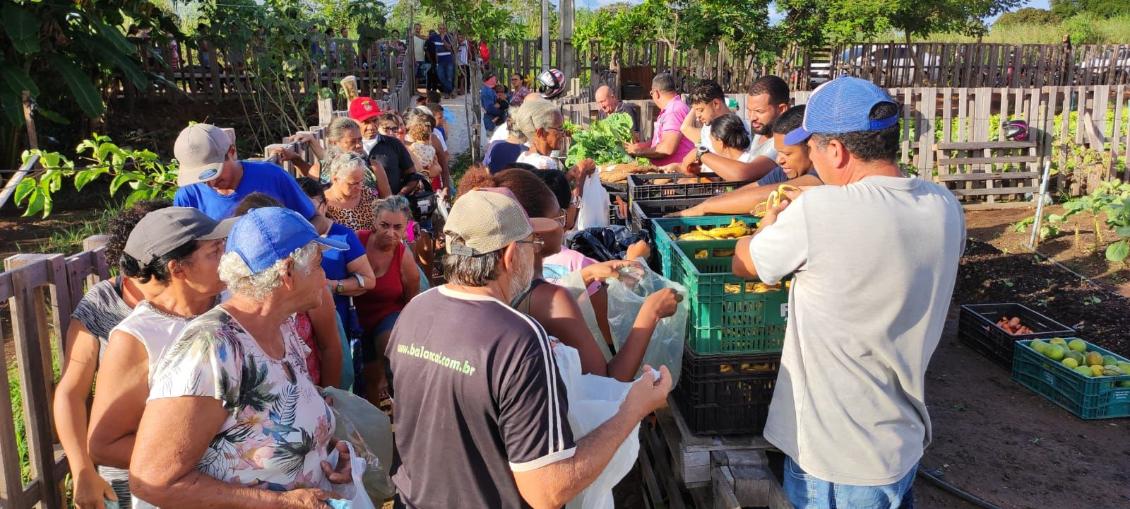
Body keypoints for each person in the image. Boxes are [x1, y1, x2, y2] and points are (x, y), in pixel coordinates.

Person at [731, 77, 965, 508]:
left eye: (814, 147)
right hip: (901, 440)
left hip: (836, 457)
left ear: (836, 151)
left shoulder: (820, 210)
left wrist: (767, 227)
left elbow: (745, 264)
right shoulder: (943, 205)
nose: (813, 158)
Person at [388, 187, 674, 508]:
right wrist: (631, 409)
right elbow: (547, 491)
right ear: (511, 254)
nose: (534, 252)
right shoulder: (519, 338)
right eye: (530, 244)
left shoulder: (413, 312)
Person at [128, 207, 357, 507]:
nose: (324, 277)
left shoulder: (282, 325)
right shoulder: (211, 348)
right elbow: (154, 480)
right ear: (287, 272)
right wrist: (280, 503)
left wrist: (323, 448)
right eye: (317, 265)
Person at [458, 167, 680, 381]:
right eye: (558, 218)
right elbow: (608, 383)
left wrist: (587, 275)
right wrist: (650, 313)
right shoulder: (551, 298)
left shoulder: (502, 284)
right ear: (535, 228)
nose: (564, 227)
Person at [87, 208, 231, 504]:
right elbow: (104, 444)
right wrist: (217, 456)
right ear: (178, 269)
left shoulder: (232, 303)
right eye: (214, 252)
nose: (227, 258)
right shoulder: (138, 338)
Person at [54, 200, 170, 509]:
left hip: (193, 461)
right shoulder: (102, 304)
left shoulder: (200, 297)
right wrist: (81, 469)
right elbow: (71, 392)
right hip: (124, 470)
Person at [172, 123, 329, 234]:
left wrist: (291, 243)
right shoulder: (187, 196)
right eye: (201, 178)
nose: (211, 183)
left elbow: (318, 220)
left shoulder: (272, 176)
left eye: (215, 173)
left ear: (231, 152)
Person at [674, 106, 823, 217]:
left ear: (811, 147)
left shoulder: (820, 176)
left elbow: (766, 194)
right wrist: (706, 205)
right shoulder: (785, 171)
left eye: (787, 153)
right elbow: (753, 189)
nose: (779, 160)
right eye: (778, 152)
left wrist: (703, 208)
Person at [353, 196, 422, 408]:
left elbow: (410, 301)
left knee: (391, 353)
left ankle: (406, 411)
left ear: (405, 229)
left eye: (397, 227)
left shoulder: (404, 256)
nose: (390, 233)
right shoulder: (357, 241)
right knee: (368, 380)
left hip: (387, 315)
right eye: (384, 225)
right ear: (374, 221)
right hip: (356, 317)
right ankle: (376, 429)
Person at [690, 75, 790, 182]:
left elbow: (745, 173)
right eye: (749, 110)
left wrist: (701, 153)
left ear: (782, 109)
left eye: (759, 111)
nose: (752, 117)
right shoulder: (761, 131)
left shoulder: (785, 141)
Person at [511, 99, 597, 189]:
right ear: (541, 133)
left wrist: (568, 176)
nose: (563, 134)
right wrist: (581, 176)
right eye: (559, 129)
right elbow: (566, 202)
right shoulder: (545, 164)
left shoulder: (523, 157)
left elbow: (551, 191)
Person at [672, 79, 749, 175]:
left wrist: (698, 154)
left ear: (716, 104)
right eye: (695, 110)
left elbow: (735, 168)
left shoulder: (737, 127)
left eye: (701, 110)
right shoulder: (707, 127)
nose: (697, 115)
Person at [625, 73, 694, 167]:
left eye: (651, 93)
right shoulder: (672, 108)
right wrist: (645, 145)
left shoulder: (673, 111)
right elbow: (663, 140)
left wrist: (639, 151)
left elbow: (667, 148)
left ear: (656, 93)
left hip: (674, 175)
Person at [323, 152, 381, 232]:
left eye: (361, 181)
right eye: (353, 183)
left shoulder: (369, 194)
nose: (360, 187)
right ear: (335, 179)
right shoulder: (323, 203)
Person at [405, 120, 443, 193]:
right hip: (430, 172)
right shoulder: (431, 149)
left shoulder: (413, 146)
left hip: (419, 175)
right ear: (429, 136)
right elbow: (436, 163)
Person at [434, 24, 456, 96]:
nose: (442, 30)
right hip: (440, 61)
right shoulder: (435, 37)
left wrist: (443, 39)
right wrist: (414, 34)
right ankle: (451, 89)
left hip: (449, 60)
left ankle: (447, 93)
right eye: (440, 28)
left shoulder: (449, 37)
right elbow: (425, 38)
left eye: (443, 29)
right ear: (438, 29)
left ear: (445, 29)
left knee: (449, 77)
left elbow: (449, 48)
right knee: (441, 77)